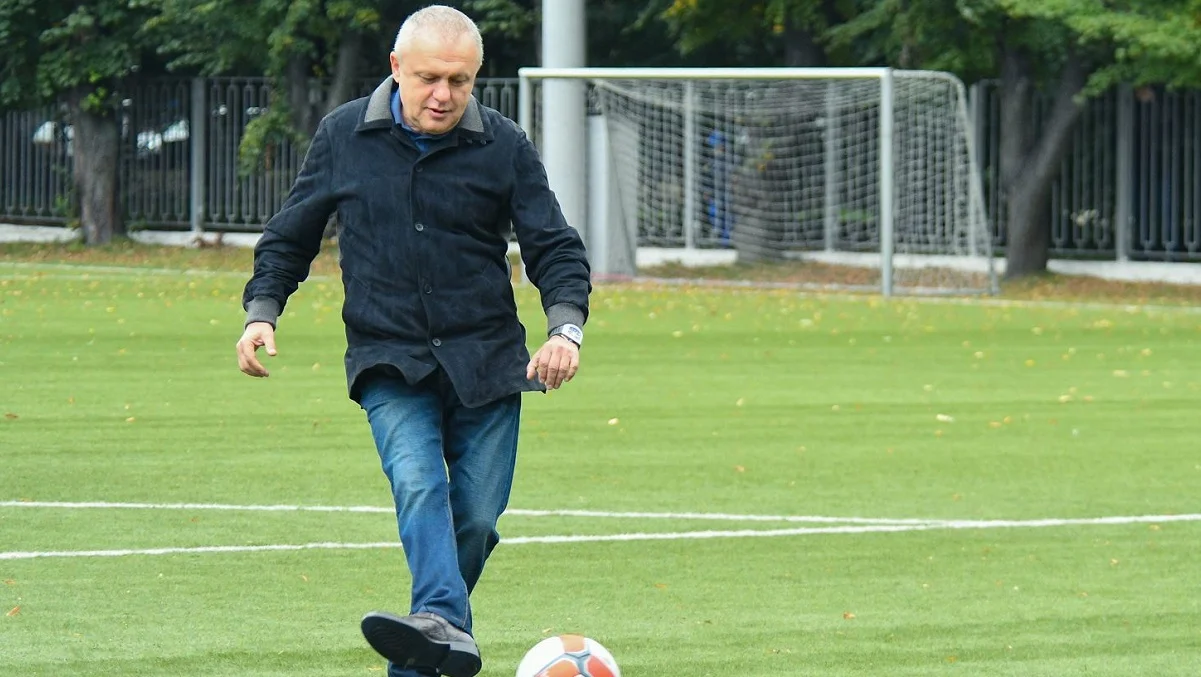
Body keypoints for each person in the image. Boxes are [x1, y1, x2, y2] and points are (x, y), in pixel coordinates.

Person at [234, 6, 592, 677]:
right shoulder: (344, 135)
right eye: (429, 78)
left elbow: (555, 247)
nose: (444, 94)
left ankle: (422, 652)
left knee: (476, 520)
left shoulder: (505, 145)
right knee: (420, 484)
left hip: (487, 362)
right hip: (389, 357)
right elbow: (290, 235)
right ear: (396, 67)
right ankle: (437, 621)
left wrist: (564, 328)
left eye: (460, 80)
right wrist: (262, 311)